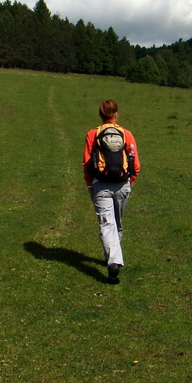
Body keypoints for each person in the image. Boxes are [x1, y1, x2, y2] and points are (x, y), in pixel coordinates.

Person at [83, 100, 141, 284]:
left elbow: (86, 164)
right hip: (123, 184)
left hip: (101, 184)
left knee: (107, 224)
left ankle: (113, 260)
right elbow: (135, 163)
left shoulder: (93, 134)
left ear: (100, 114)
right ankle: (113, 258)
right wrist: (130, 181)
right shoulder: (126, 134)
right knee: (117, 222)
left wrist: (90, 185)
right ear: (116, 113)